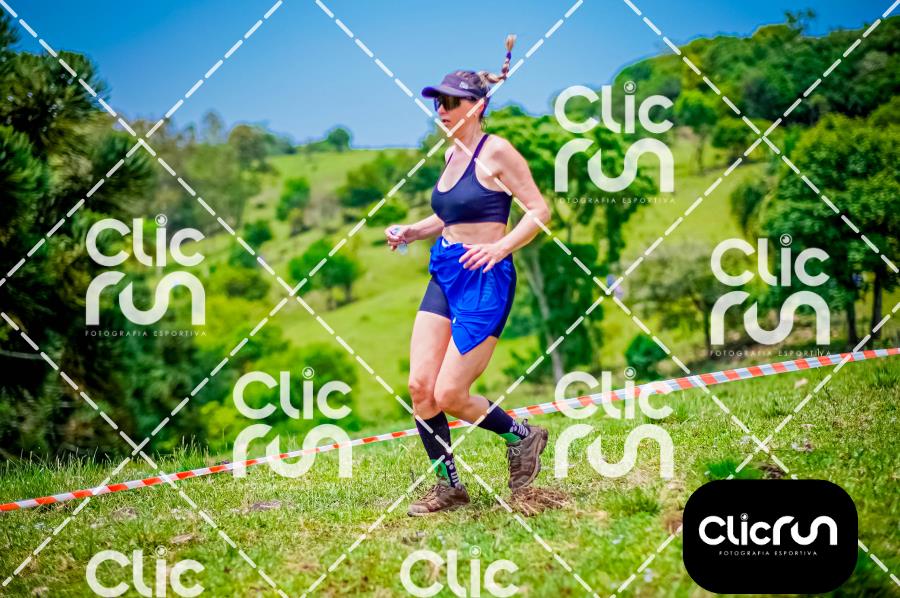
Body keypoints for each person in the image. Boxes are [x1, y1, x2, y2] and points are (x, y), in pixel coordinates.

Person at [384, 35, 552, 516]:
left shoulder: (497, 151)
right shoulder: (451, 154)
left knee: (451, 394)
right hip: (445, 272)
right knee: (421, 388)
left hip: (486, 279)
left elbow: (539, 210)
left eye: (451, 102)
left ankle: (522, 436)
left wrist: (500, 247)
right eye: (438, 102)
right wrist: (414, 230)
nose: (441, 109)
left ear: (477, 107)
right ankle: (449, 488)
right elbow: (451, 215)